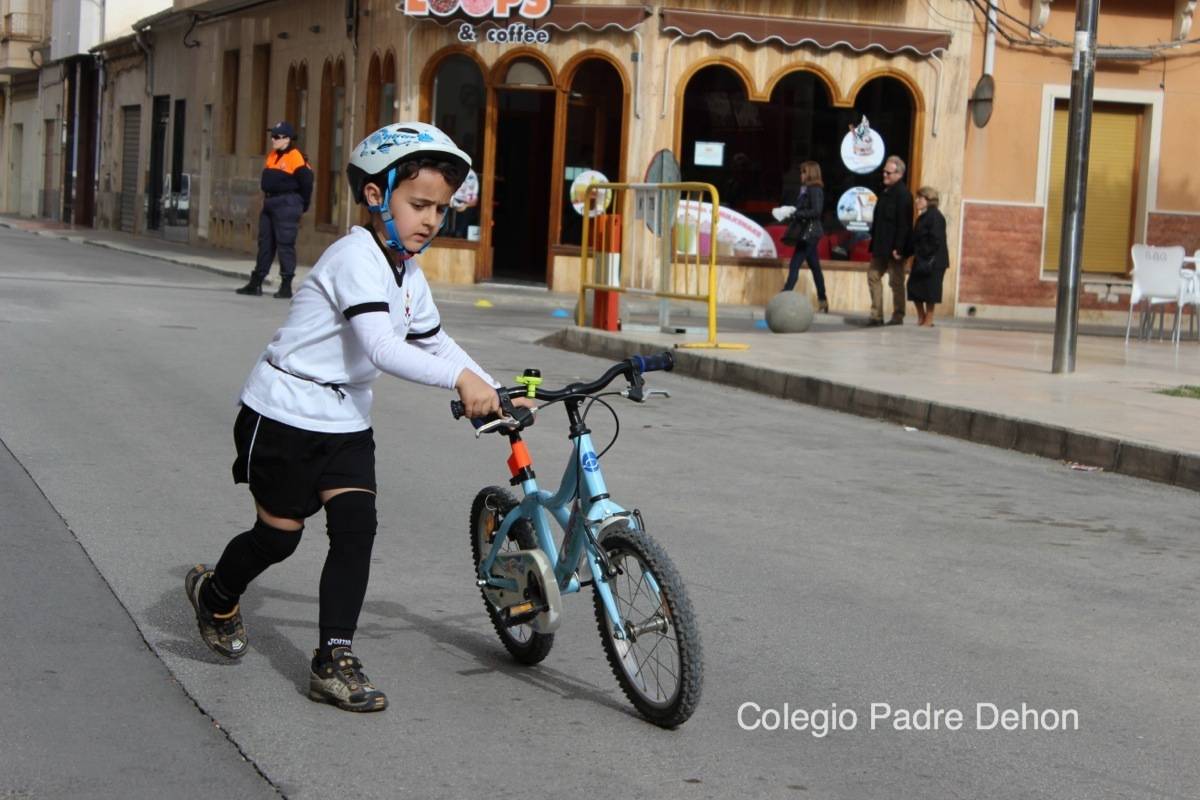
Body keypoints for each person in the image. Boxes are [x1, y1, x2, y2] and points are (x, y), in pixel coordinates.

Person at [188, 122, 522, 713]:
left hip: (344, 422)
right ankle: (216, 593)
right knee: (278, 538)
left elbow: (435, 342)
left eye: (440, 209)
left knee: (355, 531)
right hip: (284, 413)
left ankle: (333, 660)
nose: (430, 220)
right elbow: (383, 348)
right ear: (375, 195)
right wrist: (460, 382)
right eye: (418, 204)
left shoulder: (407, 272)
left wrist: (496, 389)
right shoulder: (354, 257)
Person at [237, 121, 314, 299]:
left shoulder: (296, 157)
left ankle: (286, 285)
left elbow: (307, 183)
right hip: (270, 201)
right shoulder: (272, 156)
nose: (273, 139)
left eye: (278, 137)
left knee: (285, 244)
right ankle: (256, 282)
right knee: (265, 243)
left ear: (288, 139)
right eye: (273, 136)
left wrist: (302, 204)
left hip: (287, 202)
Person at [866, 155, 913, 326]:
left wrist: (899, 248)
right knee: (873, 275)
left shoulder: (903, 195)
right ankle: (876, 315)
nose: (884, 174)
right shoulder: (885, 192)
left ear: (899, 174)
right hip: (881, 246)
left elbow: (904, 224)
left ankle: (898, 315)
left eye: (888, 172)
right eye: (884, 171)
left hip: (894, 249)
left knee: (896, 281)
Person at [782, 160, 828, 313]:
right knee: (815, 267)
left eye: (803, 172)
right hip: (807, 232)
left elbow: (816, 211)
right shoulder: (806, 189)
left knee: (795, 264)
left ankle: (784, 296)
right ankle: (822, 300)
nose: (800, 175)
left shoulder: (814, 189)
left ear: (810, 174)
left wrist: (796, 213)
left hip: (810, 233)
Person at [907, 186, 950, 327]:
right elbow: (916, 239)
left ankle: (929, 319)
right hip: (921, 259)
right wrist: (906, 252)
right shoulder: (922, 216)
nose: (916, 201)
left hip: (934, 261)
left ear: (929, 200)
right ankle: (921, 317)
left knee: (930, 291)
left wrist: (923, 254)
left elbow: (935, 240)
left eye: (920, 198)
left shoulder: (935, 216)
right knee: (913, 288)